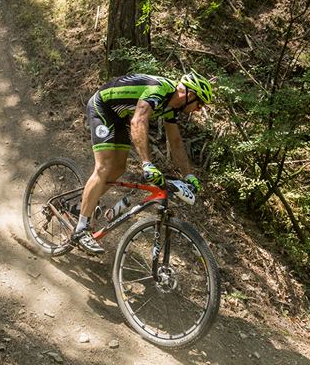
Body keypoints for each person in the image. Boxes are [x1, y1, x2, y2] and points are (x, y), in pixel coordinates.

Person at [72, 71, 214, 255]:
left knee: (118, 168)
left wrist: (189, 175)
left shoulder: (172, 107)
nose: (199, 109)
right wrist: (146, 163)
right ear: (190, 94)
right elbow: (139, 120)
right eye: (200, 103)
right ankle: (80, 229)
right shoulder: (159, 90)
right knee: (104, 166)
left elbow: (176, 141)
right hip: (103, 107)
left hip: (119, 115)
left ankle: (84, 204)